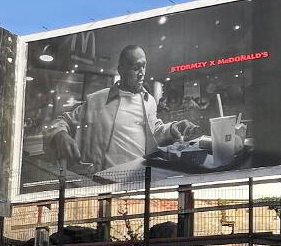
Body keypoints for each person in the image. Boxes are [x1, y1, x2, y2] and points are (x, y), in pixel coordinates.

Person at [45, 45, 199, 172]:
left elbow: (155, 131)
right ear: (121, 70)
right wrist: (60, 134)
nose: (141, 73)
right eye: (136, 67)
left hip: (139, 176)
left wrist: (173, 128)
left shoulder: (149, 101)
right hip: (103, 179)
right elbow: (62, 120)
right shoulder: (97, 99)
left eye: (144, 66)